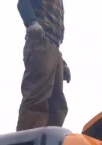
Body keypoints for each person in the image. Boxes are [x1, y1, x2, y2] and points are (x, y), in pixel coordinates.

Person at [16, 0, 71, 131]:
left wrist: (61, 63)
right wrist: (32, 22)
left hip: (53, 46)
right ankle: (26, 144)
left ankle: (48, 142)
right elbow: (23, 2)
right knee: (37, 99)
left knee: (58, 106)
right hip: (41, 41)